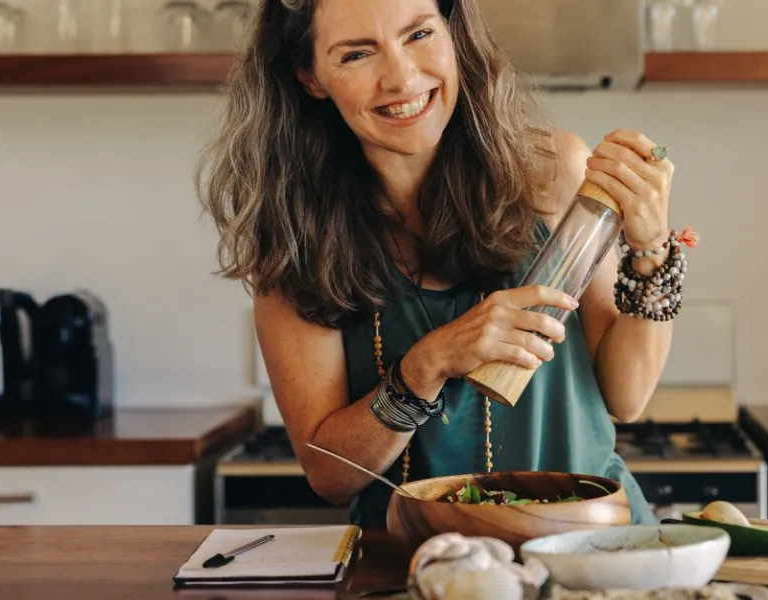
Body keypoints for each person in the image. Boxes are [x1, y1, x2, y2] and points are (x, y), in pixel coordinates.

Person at [197, 0, 693, 527]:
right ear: (310, 77)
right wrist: (428, 363)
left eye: (419, 34)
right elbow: (331, 476)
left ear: (453, 35)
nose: (402, 78)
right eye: (357, 54)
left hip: (591, 550)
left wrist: (651, 251)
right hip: (418, 559)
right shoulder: (294, 242)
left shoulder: (553, 174)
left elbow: (628, 396)